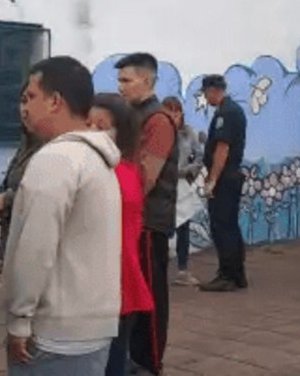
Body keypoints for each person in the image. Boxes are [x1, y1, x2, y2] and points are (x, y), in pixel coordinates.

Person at [5, 56, 122, 374]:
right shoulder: (96, 157)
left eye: (30, 97)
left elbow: (36, 248)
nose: (24, 108)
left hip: (55, 334)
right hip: (93, 327)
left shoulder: (57, 158)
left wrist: (19, 319)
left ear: (55, 101)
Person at [115, 53, 177, 375]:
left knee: (150, 299)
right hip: (130, 222)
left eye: (127, 80)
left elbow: (145, 178)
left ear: (148, 81)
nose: (120, 87)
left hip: (149, 223)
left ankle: (150, 362)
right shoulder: (130, 117)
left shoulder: (158, 121)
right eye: (119, 81)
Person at [87, 94, 154, 376]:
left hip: (114, 285)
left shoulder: (119, 174)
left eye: (101, 127)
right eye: (87, 123)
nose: (91, 132)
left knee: (110, 363)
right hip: (103, 286)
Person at [197, 74, 249, 293]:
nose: (206, 97)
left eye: (206, 92)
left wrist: (212, 181)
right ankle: (237, 274)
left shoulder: (225, 113)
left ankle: (227, 275)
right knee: (231, 225)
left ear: (212, 90)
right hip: (231, 176)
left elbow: (222, 149)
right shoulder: (233, 109)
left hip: (225, 177)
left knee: (222, 226)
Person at [0, 120, 44, 281]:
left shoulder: (49, 150)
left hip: (31, 235)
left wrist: (7, 199)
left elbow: (40, 191)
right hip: (10, 230)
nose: (25, 111)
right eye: (23, 103)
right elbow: (10, 179)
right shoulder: (25, 145)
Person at [163, 96, 205, 287]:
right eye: (168, 111)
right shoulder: (158, 133)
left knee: (184, 227)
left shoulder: (188, 134)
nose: (173, 116)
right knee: (162, 228)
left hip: (181, 184)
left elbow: (198, 156)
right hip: (163, 186)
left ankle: (182, 269)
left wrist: (190, 172)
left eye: (176, 111)